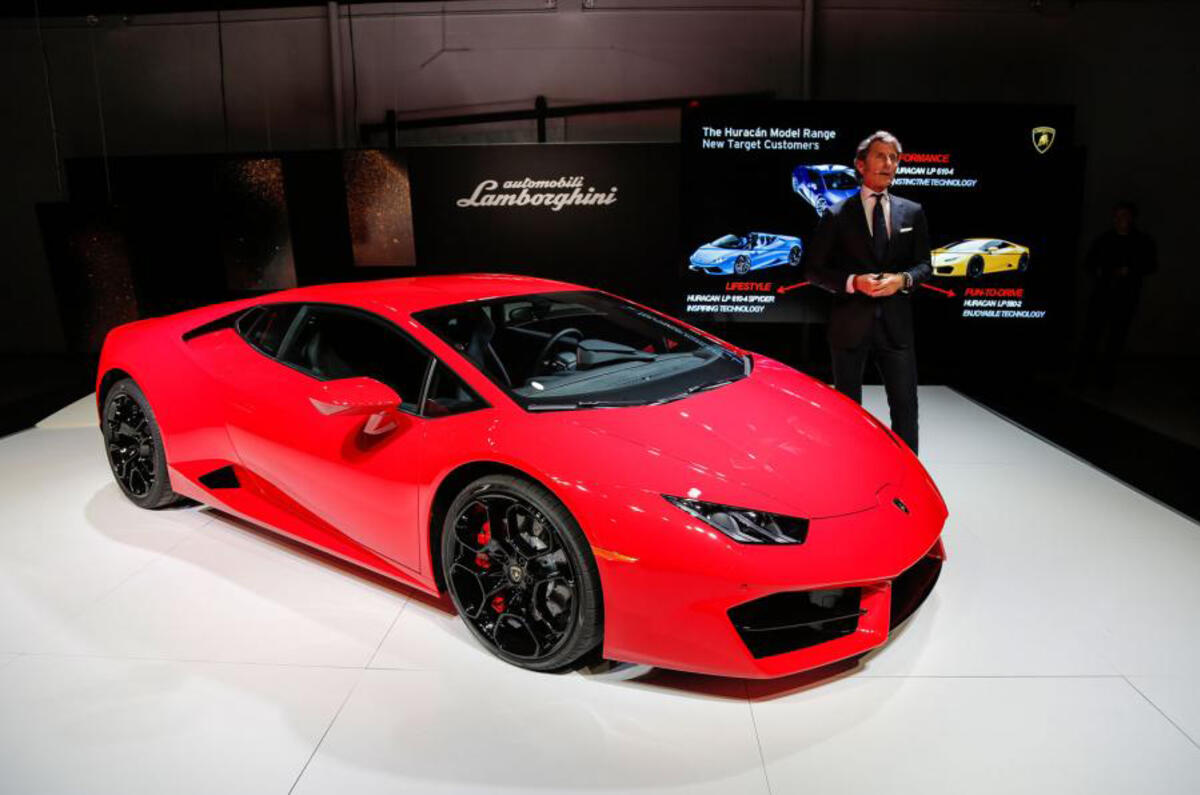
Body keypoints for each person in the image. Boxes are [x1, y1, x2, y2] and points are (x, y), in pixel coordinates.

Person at [806, 130, 931, 453]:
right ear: (860, 165)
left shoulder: (912, 212)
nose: (888, 163)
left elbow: (924, 266)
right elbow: (814, 271)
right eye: (881, 156)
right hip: (850, 325)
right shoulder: (836, 214)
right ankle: (851, 472)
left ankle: (909, 476)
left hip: (896, 326)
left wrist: (902, 280)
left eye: (894, 158)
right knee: (847, 412)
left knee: (905, 408)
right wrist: (853, 282)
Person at [1078, 200, 1157, 385]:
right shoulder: (1104, 240)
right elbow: (1089, 263)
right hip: (1102, 293)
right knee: (1092, 334)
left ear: (1132, 218)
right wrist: (1101, 271)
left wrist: (1130, 271)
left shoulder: (1141, 242)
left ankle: (1106, 376)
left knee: (1116, 337)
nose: (1123, 220)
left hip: (1126, 296)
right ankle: (1083, 374)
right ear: (1114, 218)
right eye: (1119, 216)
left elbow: (1150, 265)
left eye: (1126, 216)